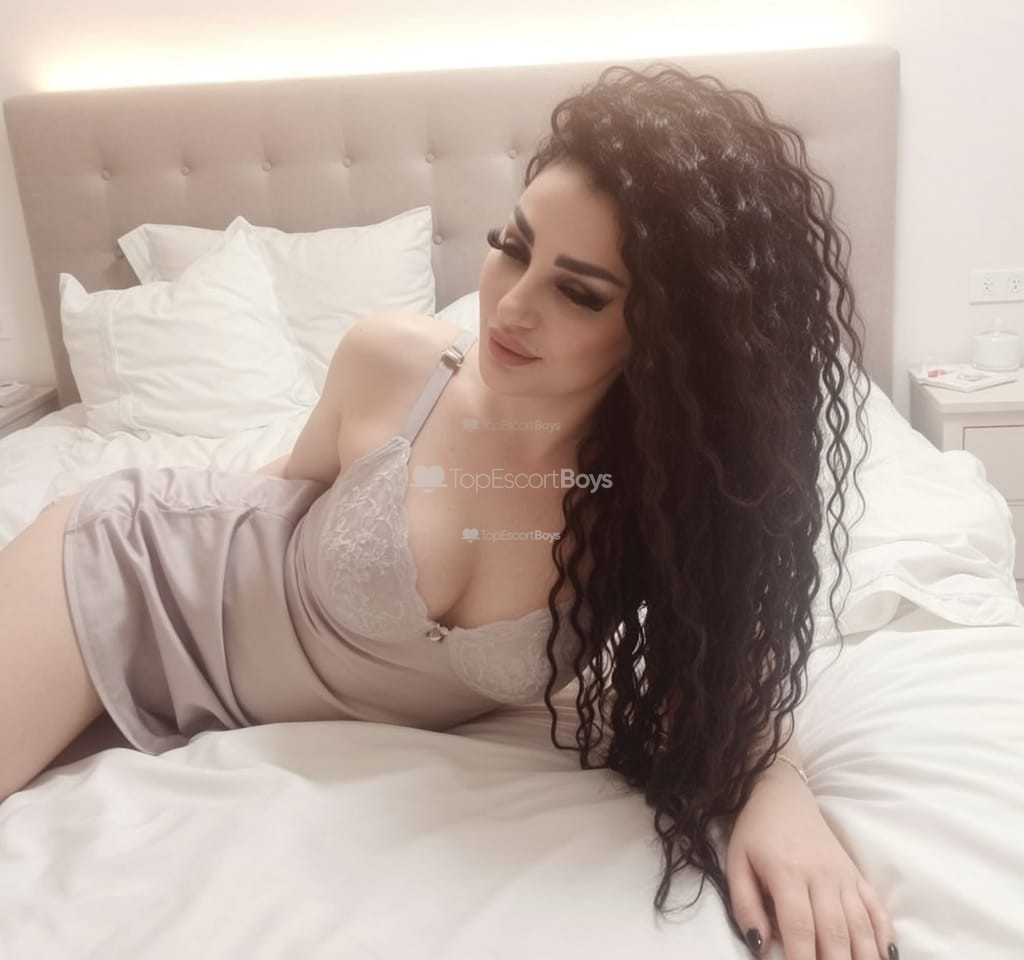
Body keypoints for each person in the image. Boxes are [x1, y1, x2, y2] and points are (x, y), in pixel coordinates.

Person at [0, 63, 898, 960]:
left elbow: (716, 676)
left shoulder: (656, 508)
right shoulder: (393, 361)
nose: (511, 305)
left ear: (667, 335)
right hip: (127, 579)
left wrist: (777, 788)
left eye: (578, 292)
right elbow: (277, 495)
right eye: (513, 246)